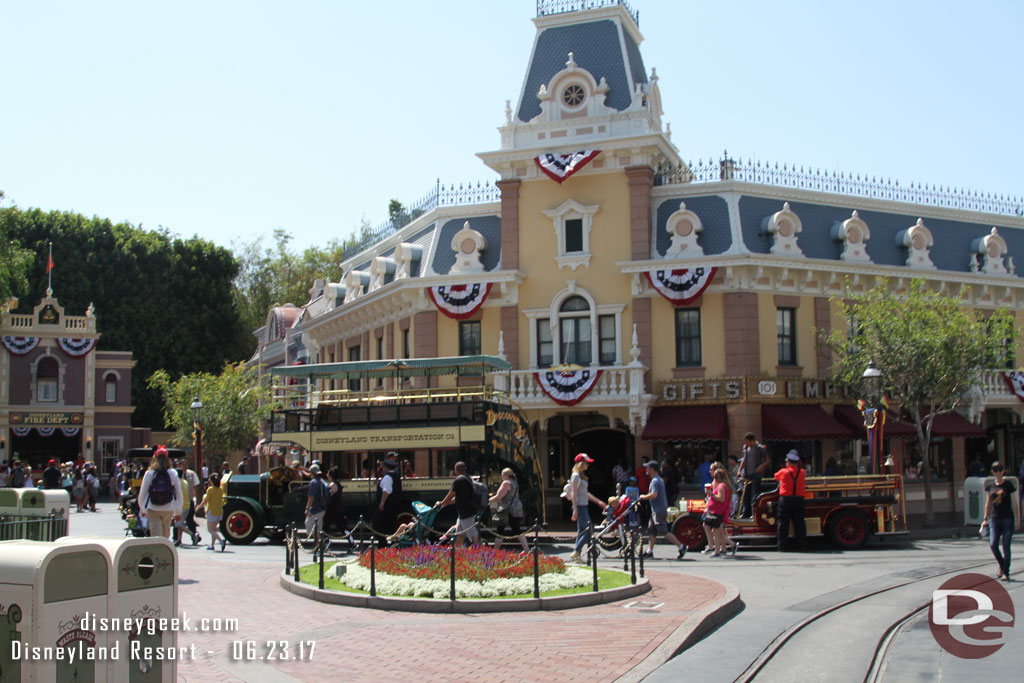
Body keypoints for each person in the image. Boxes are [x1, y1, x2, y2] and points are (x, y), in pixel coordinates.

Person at [980, 462, 1021, 581]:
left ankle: (1006, 572)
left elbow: (1015, 503)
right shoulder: (990, 486)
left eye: (999, 469)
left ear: (1003, 471)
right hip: (995, 519)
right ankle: (1002, 565)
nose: (997, 472)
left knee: (1006, 546)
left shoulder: (1008, 485)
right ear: (992, 471)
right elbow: (988, 504)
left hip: (1008, 519)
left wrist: (1017, 520)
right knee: (993, 544)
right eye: (995, 469)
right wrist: (985, 519)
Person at [638, 460, 686, 560]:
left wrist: (643, 497)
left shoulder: (655, 481)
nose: (646, 469)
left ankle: (681, 546)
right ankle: (649, 551)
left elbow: (654, 495)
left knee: (663, 531)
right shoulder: (657, 479)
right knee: (652, 530)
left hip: (659, 510)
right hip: (655, 510)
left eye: (647, 467)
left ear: (652, 469)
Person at [567, 453, 608, 563]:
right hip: (579, 506)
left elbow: (585, 493)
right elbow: (574, 494)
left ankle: (577, 556)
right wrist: (575, 509)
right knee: (589, 529)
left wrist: (599, 502)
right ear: (581, 463)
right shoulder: (575, 476)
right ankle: (576, 551)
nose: (588, 465)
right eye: (586, 463)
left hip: (583, 505)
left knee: (581, 530)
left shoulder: (581, 476)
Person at [138, 446, 183, 539]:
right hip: (168, 508)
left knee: (156, 536)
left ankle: (158, 552)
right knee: (165, 536)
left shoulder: (149, 473)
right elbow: (179, 493)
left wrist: (143, 509)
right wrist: (178, 511)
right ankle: (165, 552)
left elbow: (142, 494)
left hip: (153, 508)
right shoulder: (173, 473)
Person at [434, 461, 480, 547]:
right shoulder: (469, 478)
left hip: (466, 512)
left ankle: (479, 550)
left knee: (471, 532)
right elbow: (457, 497)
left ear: (456, 470)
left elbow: (450, 495)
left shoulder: (458, 480)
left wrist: (440, 503)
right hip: (469, 511)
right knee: (459, 533)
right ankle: (457, 551)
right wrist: (446, 503)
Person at [488, 467, 529, 552]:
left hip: (507, 509)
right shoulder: (514, 482)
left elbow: (499, 497)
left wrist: (489, 500)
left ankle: (494, 551)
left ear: (506, 475)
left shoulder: (506, 483)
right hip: (516, 508)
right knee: (517, 529)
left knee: (500, 530)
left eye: (502, 475)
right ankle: (526, 549)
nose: (501, 477)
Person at [775, 450, 807, 552]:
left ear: (787, 462)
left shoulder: (783, 471)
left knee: (783, 524)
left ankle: (782, 546)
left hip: (786, 500)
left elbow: (776, 477)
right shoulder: (802, 472)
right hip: (799, 499)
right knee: (799, 523)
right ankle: (802, 545)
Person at [704, 468, 736, 557]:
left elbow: (721, 499)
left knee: (717, 533)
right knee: (717, 532)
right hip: (718, 511)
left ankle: (727, 547)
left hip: (719, 512)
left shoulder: (721, 486)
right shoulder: (723, 485)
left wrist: (711, 494)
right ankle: (720, 550)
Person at [738, 433, 769, 518]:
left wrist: (761, 467)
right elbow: (744, 460)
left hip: (756, 474)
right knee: (746, 494)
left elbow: (767, 460)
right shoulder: (746, 448)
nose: (746, 443)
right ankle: (746, 512)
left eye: (747, 442)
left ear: (752, 441)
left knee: (754, 494)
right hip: (747, 474)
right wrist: (739, 470)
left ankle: (754, 512)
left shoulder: (760, 448)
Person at [373, 453, 403, 537]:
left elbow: (386, 491)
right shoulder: (395, 476)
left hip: (386, 506)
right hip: (393, 506)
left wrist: (382, 502)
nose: (382, 469)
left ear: (386, 467)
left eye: (383, 467)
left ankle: (383, 544)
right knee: (391, 525)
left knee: (378, 524)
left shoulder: (387, 477)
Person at [196, 472, 226, 552]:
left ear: (211, 481)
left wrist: (198, 507)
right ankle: (212, 545)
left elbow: (205, 501)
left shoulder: (210, 489)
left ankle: (221, 540)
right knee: (214, 529)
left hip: (212, 511)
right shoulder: (220, 490)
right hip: (219, 511)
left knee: (210, 529)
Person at [304, 464, 330, 539]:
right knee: (318, 528)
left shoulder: (313, 482)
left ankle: (319, 545)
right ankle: (320, 545)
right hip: (322, 507)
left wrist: (307, 508)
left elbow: (311, 497)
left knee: (309, 524)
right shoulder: (322, 481)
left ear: (312, 473)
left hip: (315, 509)